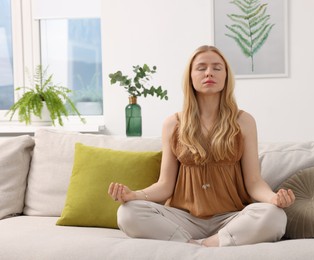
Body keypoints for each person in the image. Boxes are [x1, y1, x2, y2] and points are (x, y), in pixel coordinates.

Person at [108, 45, 295, 247]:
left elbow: (254, 182)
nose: (209, 73)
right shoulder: (172, 124)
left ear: (226, 76)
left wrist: (273, 199)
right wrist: (133, 195)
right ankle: (193, 242)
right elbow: (165, 186)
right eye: (201, 68)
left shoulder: (244, 121)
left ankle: (206, 244)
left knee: (275, 216)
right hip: (183, 219)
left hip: (231, 219)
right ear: (190, 76)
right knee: (127, 212)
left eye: (217, 67)